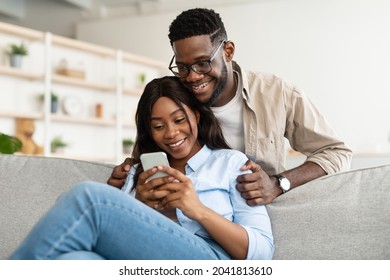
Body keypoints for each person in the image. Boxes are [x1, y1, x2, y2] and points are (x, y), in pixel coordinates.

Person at [10, 76, 274, 260]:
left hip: (210, 260)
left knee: (89, 198)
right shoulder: (139, 173)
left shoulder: (232, 164)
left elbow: (262, 252)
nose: (171, 133)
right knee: (72, 261)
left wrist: (197, 209)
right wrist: (144, 207)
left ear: (196, 114)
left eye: (179, 120)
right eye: (158, 126)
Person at [107, 8, 353, 205]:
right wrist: (129, 173)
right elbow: (148, 155)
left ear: (228, 50)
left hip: (253, 217)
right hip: (190, 218)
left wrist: (279, 183)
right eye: (182, 67)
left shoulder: (277, 93)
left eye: (203, 63)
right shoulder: (175, 97)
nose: (192, 77)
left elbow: (336, 153)